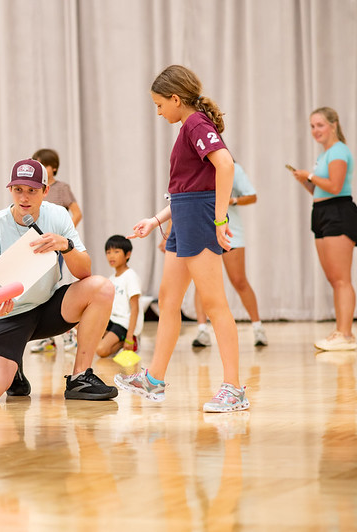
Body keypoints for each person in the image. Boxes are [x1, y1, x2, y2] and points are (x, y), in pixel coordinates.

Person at [117, 65, 249, 413]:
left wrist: (220, 218)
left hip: (200, 219)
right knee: (169, 299)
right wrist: (156, 219)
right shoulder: (187, 127)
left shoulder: (195, 124)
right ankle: (154, 379)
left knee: (215, 302)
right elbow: (185, 190)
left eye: (160, 104)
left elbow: (225, 165)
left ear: (176, 98)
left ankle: (234, 388)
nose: (158, 112)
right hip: (185, 218)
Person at [0, 158, 117, 403]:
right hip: (8, 315)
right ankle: (13, 364)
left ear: (45, 191)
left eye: (32, 190)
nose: (24, 198)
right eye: (18, 190)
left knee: (102, 287)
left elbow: (84, 273)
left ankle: (80, 376)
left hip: (47, 308)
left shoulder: (58, 215)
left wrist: (66, 246)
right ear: (10, 190)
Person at [290, 107, 357, 351]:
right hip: (321, 213)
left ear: (333, 125)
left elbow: (335, 185)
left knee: (342, 279)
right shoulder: (325, 154)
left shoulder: (340, 151)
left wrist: (309, 175)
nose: (315, 131)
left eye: (320, 125)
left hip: (339, 213)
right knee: (334, 279)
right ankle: (341, 330)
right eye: (312, 126)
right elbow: (320, 189)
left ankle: (346, 333)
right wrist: (306, 181)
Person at [192, 161, 268, 348]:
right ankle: (202, 330)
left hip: (230, 232)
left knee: (239, 280)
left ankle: (258, 327)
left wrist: (231, 200)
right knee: (201, 282)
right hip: (203, 231)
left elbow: (252, 196)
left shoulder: (229, 166)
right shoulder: (196, 167)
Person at [29, 148, 83, 353]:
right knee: (39, 288)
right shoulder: (32, 187)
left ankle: (68, 332)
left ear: (53, 168)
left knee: (53, 286)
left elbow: (77, 213)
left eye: (41, 164)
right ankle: (48, 337)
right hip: (35, 245)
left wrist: (65, 237)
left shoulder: (62, 188)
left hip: (55, 247)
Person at [96, 235, 142, 358]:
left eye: (116, 252)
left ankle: (128, 342)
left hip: (124, 323)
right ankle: (111, 339)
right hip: (112, 320)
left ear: (127, 255)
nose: (111, 256)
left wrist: (129, 336)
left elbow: (135, 308)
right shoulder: (111, 279)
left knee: (101, 350)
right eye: (108, 252)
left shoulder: (130, 276)